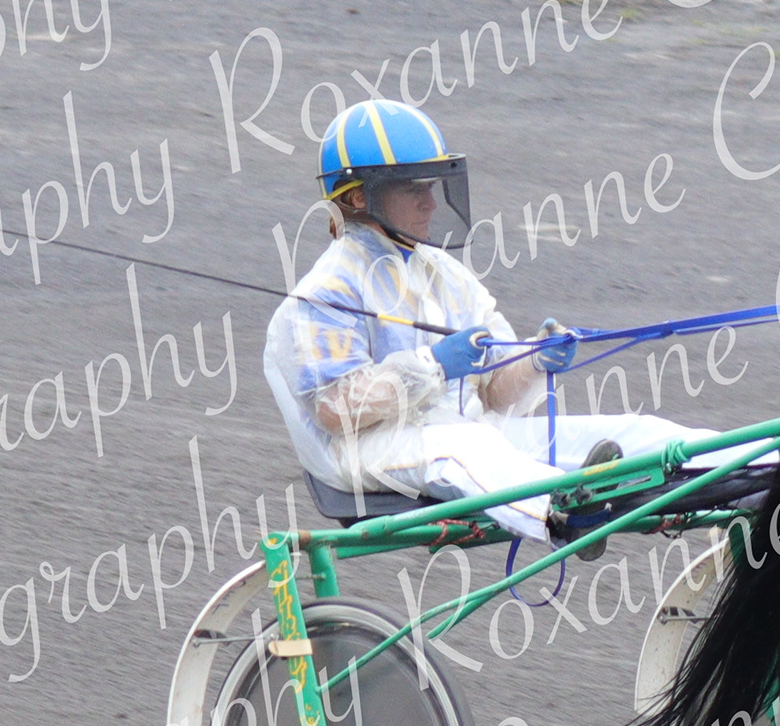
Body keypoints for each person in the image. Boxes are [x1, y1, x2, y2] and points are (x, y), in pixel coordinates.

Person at [264, 100, 721, 547]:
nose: (430, 203)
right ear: (360, 196)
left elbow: (494, 393)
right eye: (413, 189)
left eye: (432, 186)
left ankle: (743, 466)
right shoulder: (327, 289)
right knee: (464, 449)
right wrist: (432, 366)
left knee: (624, 432)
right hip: (370, 451)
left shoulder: (444, 273)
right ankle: (562, 512)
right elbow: (335, 409)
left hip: (466, 428)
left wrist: (534, 359)